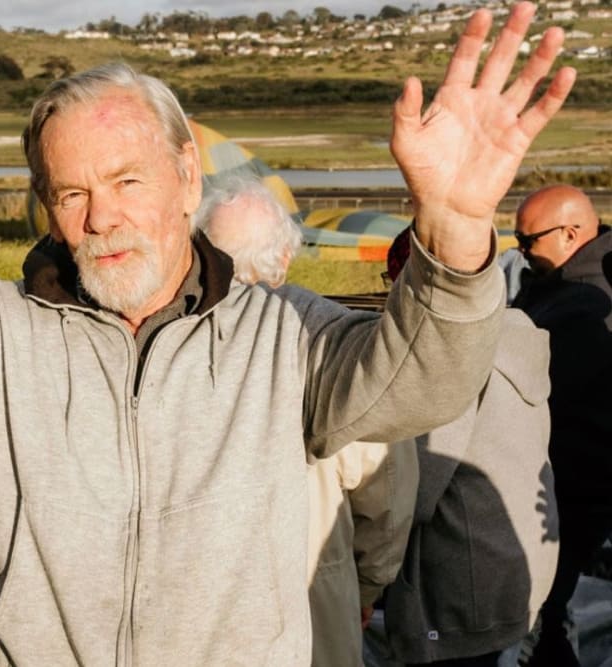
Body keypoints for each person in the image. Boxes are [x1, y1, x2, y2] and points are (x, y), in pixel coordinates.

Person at [0, 1, 574, 662]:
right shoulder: (1, 335)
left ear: (184, 175)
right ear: (48, 210)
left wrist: (457, 234)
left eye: (127, 178)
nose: (103, 217)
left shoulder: (286, 336)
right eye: (72, 193)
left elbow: (425, 378)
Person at [197, 173, 419, 667]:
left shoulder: (165, 338)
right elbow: (389, 494)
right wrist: (364, 586)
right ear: (283, 259)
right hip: (312, 597)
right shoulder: (327, 345)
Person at [380, 230, 559, 667]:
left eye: (392, 282)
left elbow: (413, 493)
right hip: (519, 562)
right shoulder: (516, 332)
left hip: (465, 585)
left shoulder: (447, 353)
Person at [511, 185, 612, 667]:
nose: (520, 252)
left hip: (572, 492)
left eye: (527, 241)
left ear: (570, 234)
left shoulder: (587, 304)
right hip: (559, 488)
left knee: (546, 614)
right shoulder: (558, 285)